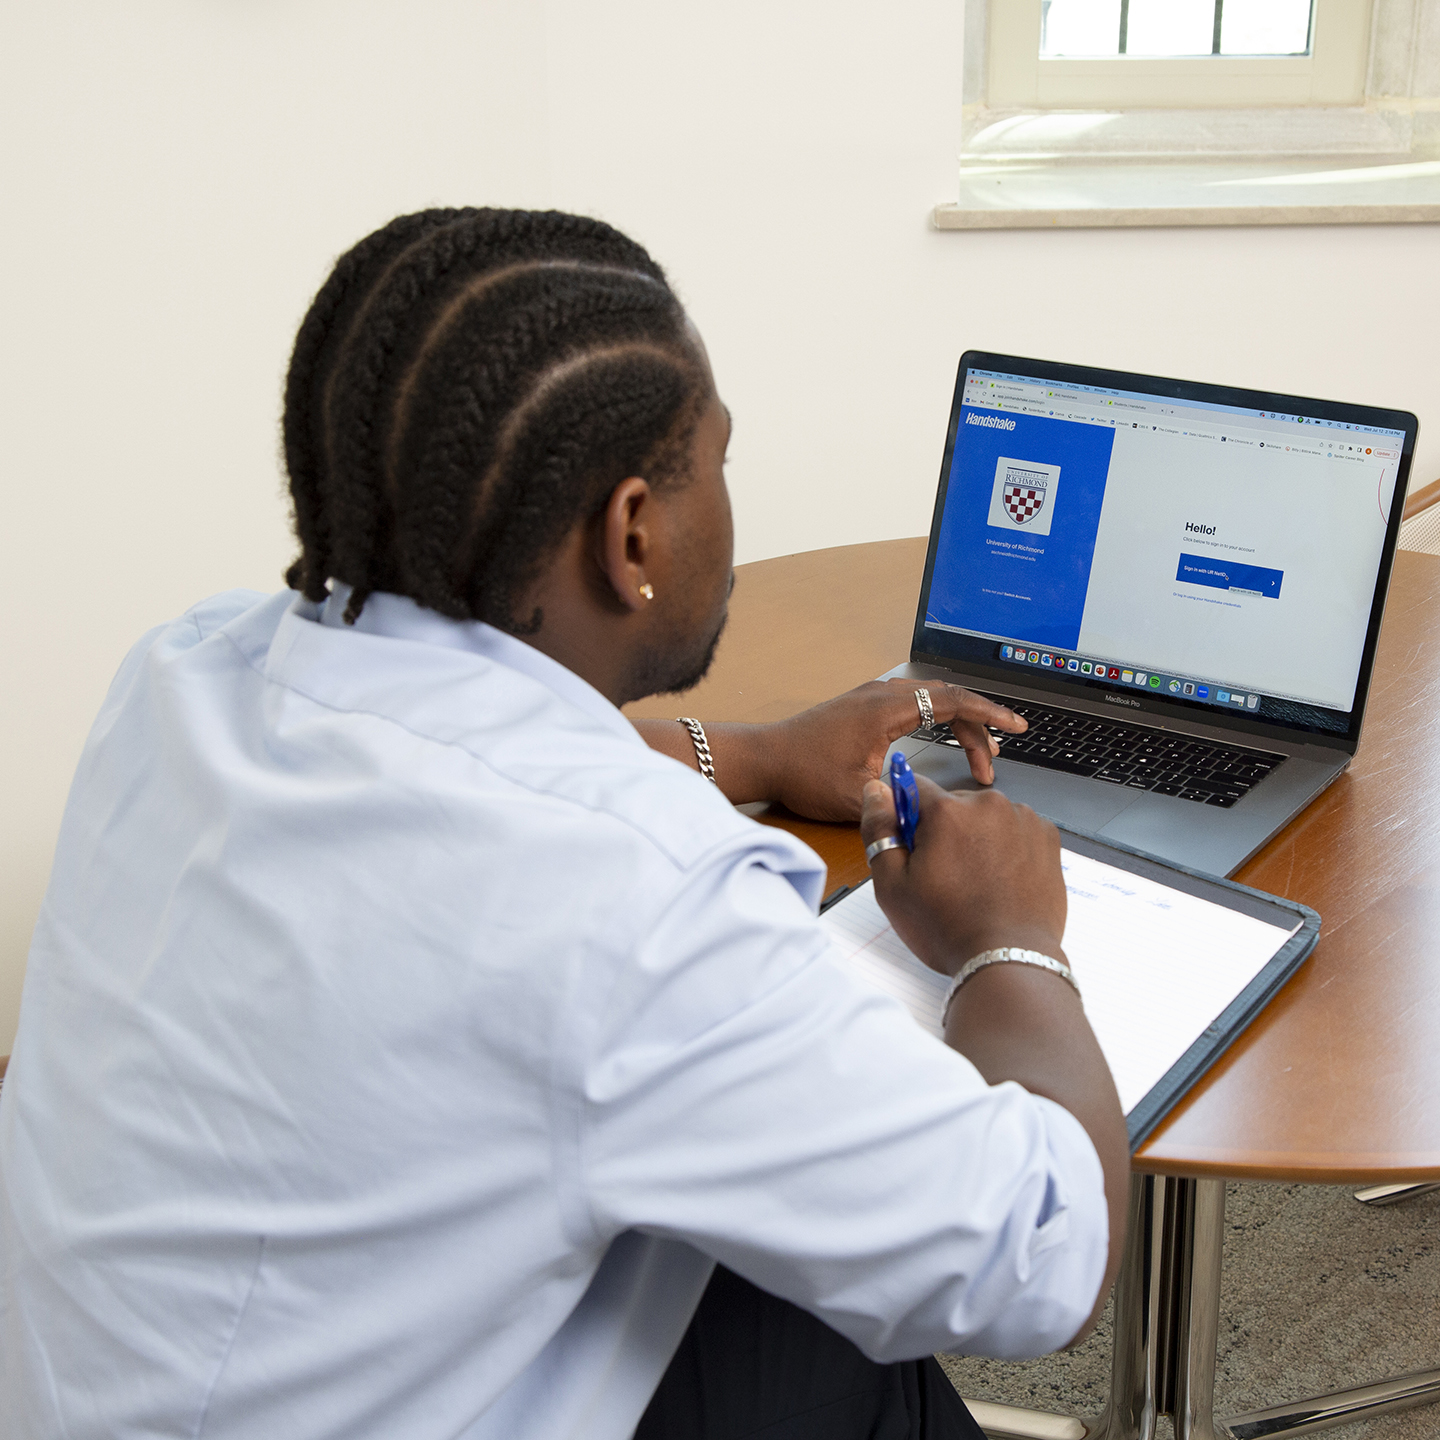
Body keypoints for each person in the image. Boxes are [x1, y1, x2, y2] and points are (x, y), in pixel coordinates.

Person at [0, 208, 1128, 1440]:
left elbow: (465, 746)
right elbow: (1049, 1264)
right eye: (720, 463)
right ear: (632, 531)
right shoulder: (640, 903)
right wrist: (1013, 940)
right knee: (858, 1348)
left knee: (756, 1251)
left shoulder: (187, 668)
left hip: (128, 1384)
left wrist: (752, 753)